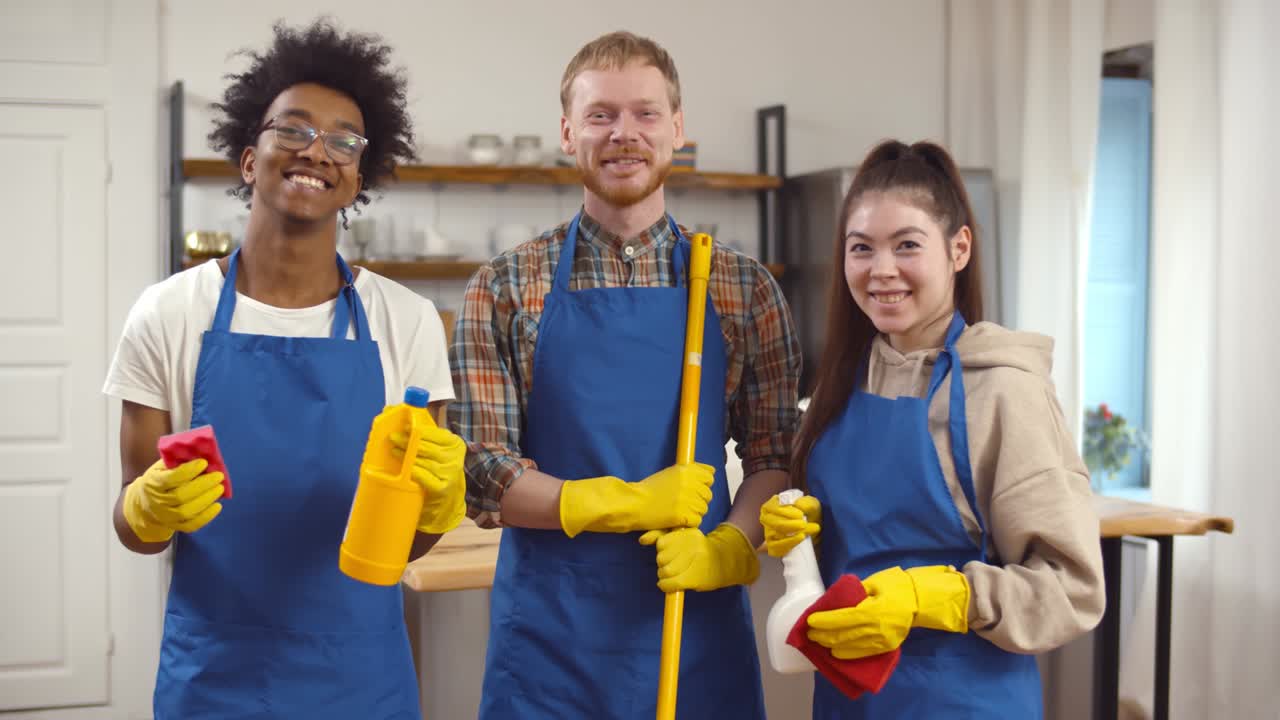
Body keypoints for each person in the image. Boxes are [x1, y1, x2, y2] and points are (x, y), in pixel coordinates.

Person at [103, 19, 464, 719]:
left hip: (361, 679)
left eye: (342, 139)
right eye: (292, 129)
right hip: (213, 677)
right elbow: (134, 529)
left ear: (357, 176)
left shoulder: (406, 320)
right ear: (249, 158)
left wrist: (440, 506)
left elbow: (411, 543)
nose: (316, 150)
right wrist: (145, 506)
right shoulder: (170, 314)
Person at [448, 30, 801, 719]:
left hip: (691, 630)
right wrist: (612, 503)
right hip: (550, 648)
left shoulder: (742, 288)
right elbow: (482, 472)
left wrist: (729, 545)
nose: (623, 134)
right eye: (601, 114)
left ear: (676, 128)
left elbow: (776, 459)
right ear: (567, 132)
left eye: (644, 113)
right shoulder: (506, 285)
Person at [759, 140, 1105, 718]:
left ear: (959, 248)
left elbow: (1072, 588)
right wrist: (807, 537)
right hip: (851, 701)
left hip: (963, 698)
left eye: (907, 246)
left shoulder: (1003, 389)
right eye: (861, 248)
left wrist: (938, 595)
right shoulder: (842, 384)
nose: (881, 270)